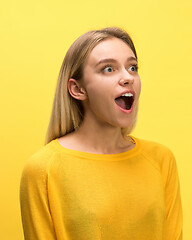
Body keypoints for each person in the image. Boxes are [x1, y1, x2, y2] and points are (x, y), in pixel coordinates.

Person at [20, 27, 183, 240]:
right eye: (108, 69)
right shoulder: (43, 169)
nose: (128, 77)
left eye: (132, 67)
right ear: (78, 89)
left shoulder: (161, 159)